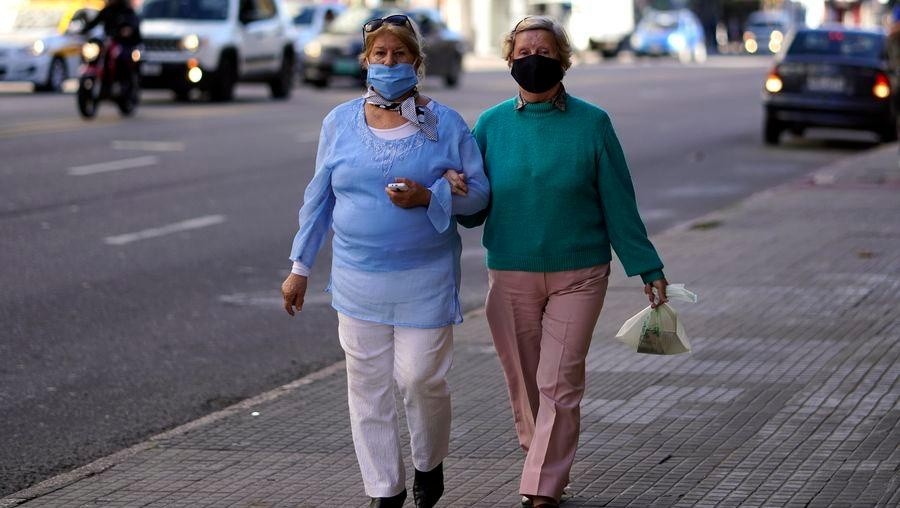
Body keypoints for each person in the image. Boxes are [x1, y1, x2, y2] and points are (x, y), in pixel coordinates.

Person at [454, 16, 669, 508]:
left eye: (546, 52)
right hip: (509, 272)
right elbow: (474, 211)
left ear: (564, 61)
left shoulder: (593, 123)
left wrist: (647, 266)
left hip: (580, 274)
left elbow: (619, 201)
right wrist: (455, 192)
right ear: (509, 61)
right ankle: (542, 456)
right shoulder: (490, 125)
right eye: (525, 51)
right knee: (526, 382)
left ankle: (542, 486)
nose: (535, 59)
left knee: (559, 379)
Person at [280, 13, 489, 508]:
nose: (389, 63)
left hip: (426, 276)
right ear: (366, 62)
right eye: (380, 55)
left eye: (399, 55)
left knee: (420, 379)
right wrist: (299, 268)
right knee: (367, 388)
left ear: (416, 64)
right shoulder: (339, 122)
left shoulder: (446, 124)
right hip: (357, 279)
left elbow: (478, 197)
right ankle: (384, 490)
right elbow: (319, 201)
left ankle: (428, 463)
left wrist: (431, 196)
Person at [80, 0, 141, 79]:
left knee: (122, 57)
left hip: (120, 42)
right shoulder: (107, 10)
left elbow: (133, 24)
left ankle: (122, 79)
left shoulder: (126, 10)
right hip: (107, 41)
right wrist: (83, 30)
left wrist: (128, 30)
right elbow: (94, 22)